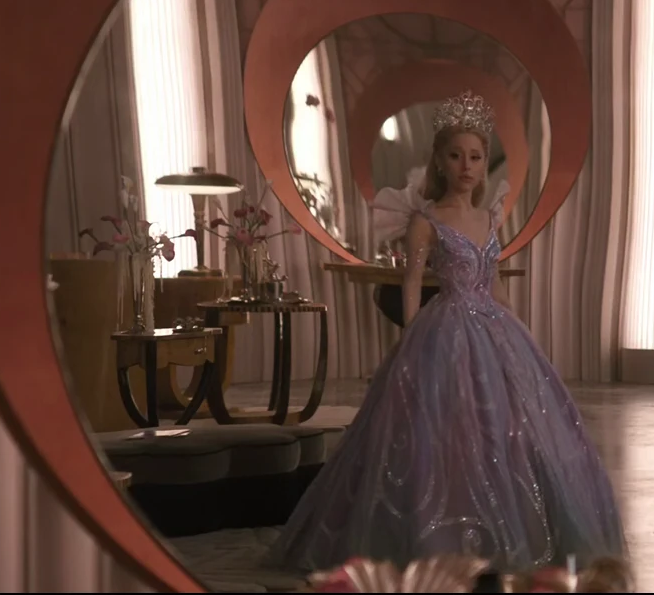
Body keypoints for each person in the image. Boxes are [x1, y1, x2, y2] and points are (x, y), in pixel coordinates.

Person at [265, 91, 627, 574]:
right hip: (446, 326)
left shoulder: (488, 218)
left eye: (475, 157)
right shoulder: (426, 220)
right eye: (456, 156)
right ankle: (434, 530)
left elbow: (492, 281)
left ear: (483, 162)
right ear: (439, 160)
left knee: (510, 424)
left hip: (494, 325)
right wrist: (412, 336)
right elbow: (412, 282)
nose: (466, 166)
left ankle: (515, 525)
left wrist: (518, 332)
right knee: (442, 427)